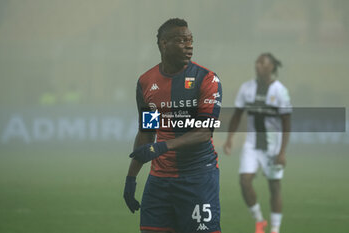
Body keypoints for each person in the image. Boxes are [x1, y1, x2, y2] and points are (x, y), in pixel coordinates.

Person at [123, 18, 222, 233]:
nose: (189, 45)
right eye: (181, 40)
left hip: (197, 178)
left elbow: (204, 132)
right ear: (164, 43)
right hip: (160, 181)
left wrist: (163, 147)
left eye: (191, 40)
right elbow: (147, 132)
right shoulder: (146, 82)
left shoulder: (206, 79)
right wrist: (131, 177)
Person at [223, 53, 291, 233]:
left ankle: (275, 229)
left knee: (274, 186)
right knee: (244, 181)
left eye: (262, 62)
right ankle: (259, 219)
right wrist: (230, 138)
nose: (257, 65)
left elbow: (286, 123)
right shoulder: (247, 88)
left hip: (273, 147)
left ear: (271, 67)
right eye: (257, 62)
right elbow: (237, 115)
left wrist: (282, 151)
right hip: (252, 144)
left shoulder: (280, 91)